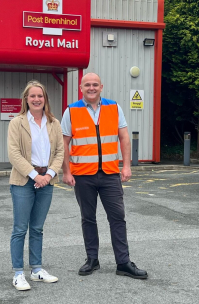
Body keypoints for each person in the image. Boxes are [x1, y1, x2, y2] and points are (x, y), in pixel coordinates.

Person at [61, 72, 148, 279]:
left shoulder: (114, 107)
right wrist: (66, 171)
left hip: (110, 174)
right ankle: (92, 259)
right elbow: (63, 143)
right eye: (87, 85)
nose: (91, 88)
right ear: (81, 88)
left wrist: (126, 166)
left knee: (117, 218)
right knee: (88, 218)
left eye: (95, 85)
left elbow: (124, 138)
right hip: (83, 175)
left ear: (101, 87)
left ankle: (123, 262)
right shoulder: (71, 111)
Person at [7, 80, 64, 291]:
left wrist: (48, 175)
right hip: (23, 181)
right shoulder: (17, 122)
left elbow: (59, 152)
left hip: (46, 181)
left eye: (40, 96)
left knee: (37, 228)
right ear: (26, 99)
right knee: (20, 229)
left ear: (45, 99)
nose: (37, 99)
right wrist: (34, 175)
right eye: (32, 96)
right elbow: (14, 153)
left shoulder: (54, 123)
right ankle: (18, 273)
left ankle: (37, 269)